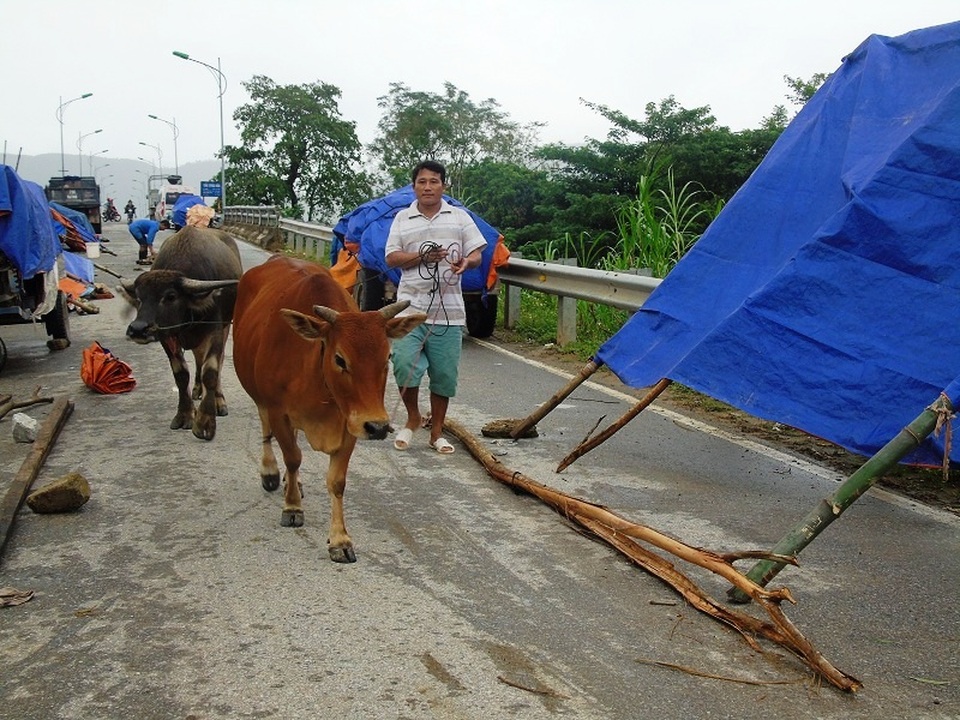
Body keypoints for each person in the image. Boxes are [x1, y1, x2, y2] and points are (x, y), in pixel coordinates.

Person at [385, 160, 487, 454]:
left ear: (444, 185)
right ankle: (413, 417)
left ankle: (437, 432)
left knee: (443, 375)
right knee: (404, 365)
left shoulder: (459, 216)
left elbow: (477, 253)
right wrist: (421, 257)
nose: (428, 187)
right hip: (410, 309)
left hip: (449, 311)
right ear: (414, 186)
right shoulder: (403, 218)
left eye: (433, 181)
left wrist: (466, 262)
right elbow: (391, 258)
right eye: (422, 182)